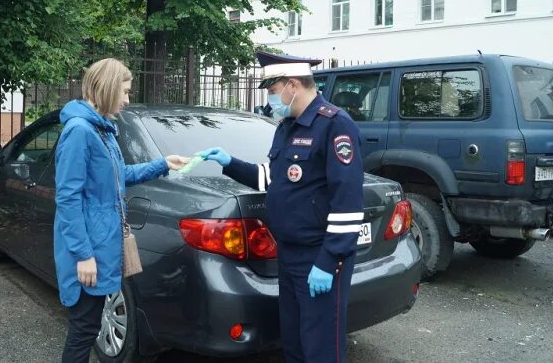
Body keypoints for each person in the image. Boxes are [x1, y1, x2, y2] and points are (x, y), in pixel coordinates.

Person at [200, 51, 365, 363]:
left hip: (319, 257)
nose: (271, 99)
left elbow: (348, 203)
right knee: (294, 343)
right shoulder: (287, 126)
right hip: (287, 255)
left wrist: (329, 261)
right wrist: (229, 162)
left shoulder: (335, 126)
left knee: (320, 348)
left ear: (292, 85)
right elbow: (272, 178)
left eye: (273, 91)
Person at [54, 58, 190, 363]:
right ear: (108, 88)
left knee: (87, 329)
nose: (127, 99)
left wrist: (163, 163)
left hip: (102, 245)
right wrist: (83, 255)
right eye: (125, 92)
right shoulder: (80, 132)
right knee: (83, 331)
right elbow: (67, 199)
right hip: (89, 249)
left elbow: (118, 175)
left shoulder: (102, 130)